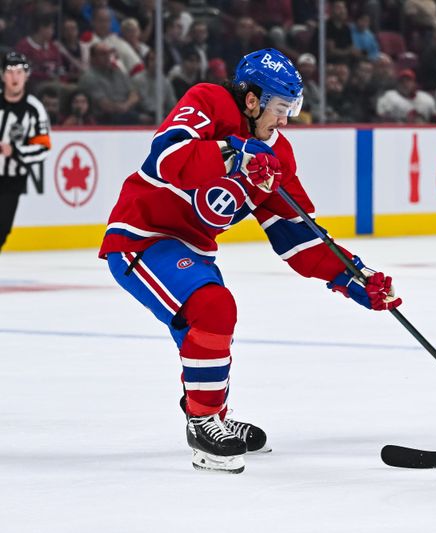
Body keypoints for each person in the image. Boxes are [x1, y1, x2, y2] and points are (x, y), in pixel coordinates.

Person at [98, 48, 402, 474]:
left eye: (291, 110)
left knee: (208, 322)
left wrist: (354, 277)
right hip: (143, 237)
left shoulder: (279, 157)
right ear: (252, 99)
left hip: (193, 249)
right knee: (213, 307)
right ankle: (204, 424)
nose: (285, 120)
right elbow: (168, 157)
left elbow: (297, 236)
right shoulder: (208, 101)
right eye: (280, 108)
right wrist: (233, 151)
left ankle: (212, 415)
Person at [0, 52, 51, 252]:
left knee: (2, 229)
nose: (15, 77)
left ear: (26, 75)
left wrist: (16, 151)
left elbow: (43, 147)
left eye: (19, 72)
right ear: (3, 75)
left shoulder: (34, 109)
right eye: (10, 72)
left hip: (13, 180)